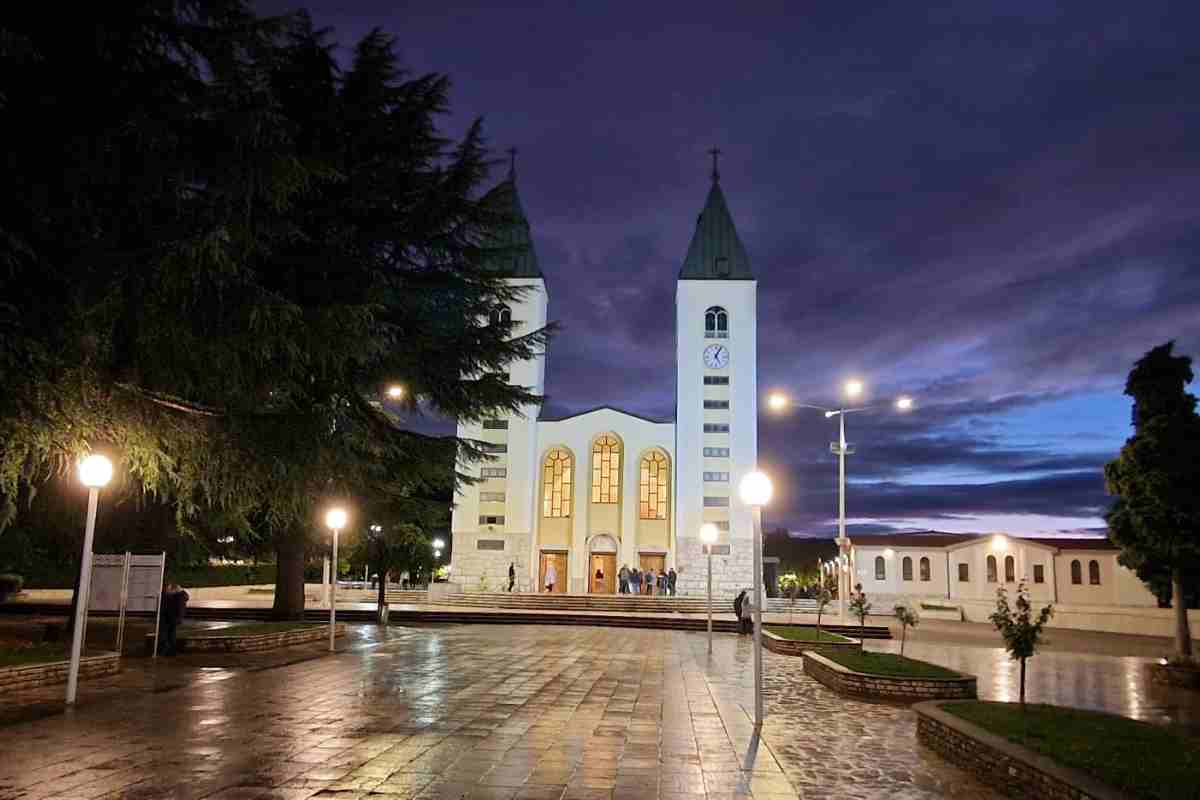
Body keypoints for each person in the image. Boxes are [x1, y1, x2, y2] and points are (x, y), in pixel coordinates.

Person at [158, 581, 189, 656]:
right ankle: (170, 651)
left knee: (166, 635)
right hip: (172, 618)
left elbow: (177, 609)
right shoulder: (179, 596)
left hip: (170, 618)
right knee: (170, 635)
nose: (166, 590)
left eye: (168, 588)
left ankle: (166, 651)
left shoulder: (178, 597)